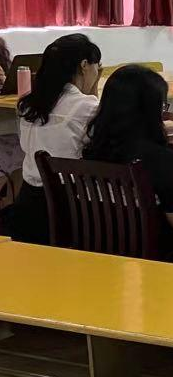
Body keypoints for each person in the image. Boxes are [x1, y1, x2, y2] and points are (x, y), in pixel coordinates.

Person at [83, 65, 173, 266]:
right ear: (149, 110)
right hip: (157, 253)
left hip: (101, 244)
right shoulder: (158, 157)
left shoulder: (92, 148)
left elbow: (155, 179)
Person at [12, 34, 103, 244]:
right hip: (69, 208)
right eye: (97, 66)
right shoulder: (85, 107)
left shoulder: (28, 105)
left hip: (28, 204)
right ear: (84, 65)